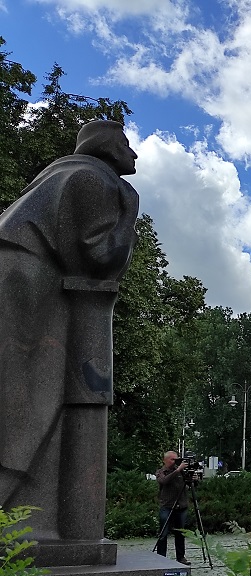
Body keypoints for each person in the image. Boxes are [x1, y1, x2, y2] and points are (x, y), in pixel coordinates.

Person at [0, 120, 140, 551]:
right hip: (30, 286)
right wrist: (130, 210)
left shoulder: (59, 177)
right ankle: (31, 520)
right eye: (127, 144)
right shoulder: (91, 179)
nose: (134, 154)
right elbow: (98, 255)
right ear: (107, 147)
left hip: (25, 279)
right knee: (30, 398)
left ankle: (37, 523)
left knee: (28, 395)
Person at [155, 451, 191, 565]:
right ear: (165, 460)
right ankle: (161, 557)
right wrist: (177, 470)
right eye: (172, 459)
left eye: (176, 459)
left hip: (181, 506)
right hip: (167, 506)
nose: (175, 462)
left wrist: (194, 479)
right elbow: (164, 481)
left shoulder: (182, 471)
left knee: (180, 533)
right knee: (163, 533)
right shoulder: (161, 472)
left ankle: (181, 557)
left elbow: (191, 485)